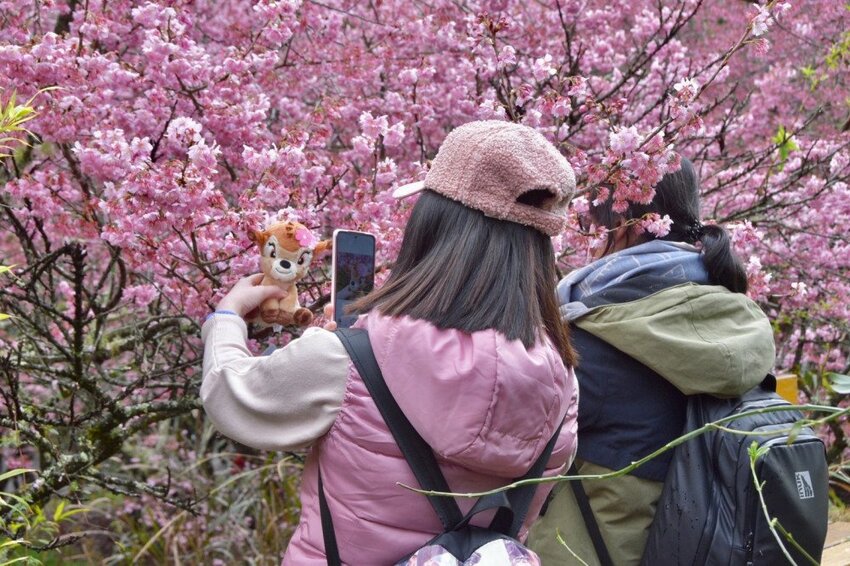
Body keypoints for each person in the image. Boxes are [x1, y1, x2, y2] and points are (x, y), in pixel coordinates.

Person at [201, 120, 581, 564]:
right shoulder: (564, 386)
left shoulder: (348, 359)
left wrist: (227, 319)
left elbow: (231, 394)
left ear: (433, 227)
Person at [526, 157, 776, 565]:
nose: (590, 240)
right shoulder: (737, 319)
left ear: (621, 224)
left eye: (592, 225)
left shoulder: (590, 341)